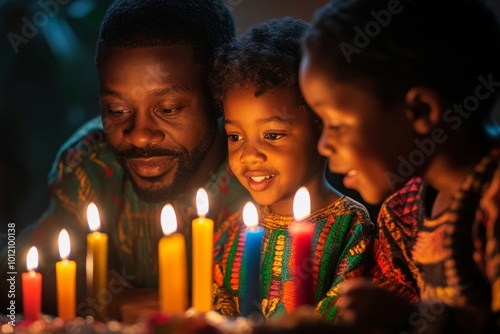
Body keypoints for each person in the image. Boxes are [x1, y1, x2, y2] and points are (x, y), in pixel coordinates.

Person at [0, 0, 250, 322]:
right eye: (117, 111)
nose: (140, 136)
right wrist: (100, 298)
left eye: (169, 109)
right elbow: (12, 277)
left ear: (218, 96)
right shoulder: (94, 167)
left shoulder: (261, 170)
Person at [299, 0, 500, 332]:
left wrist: (411, 318)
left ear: (421, 111)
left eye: (336, 124)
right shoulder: (401, 214)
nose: (323, 145)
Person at [209, 17, 375, 321]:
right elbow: (216, 308)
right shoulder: (236, 228)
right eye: (235, 136)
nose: (248, 156)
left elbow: (340, 316)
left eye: (272, 135)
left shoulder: (351, 226)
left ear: (321, 126)